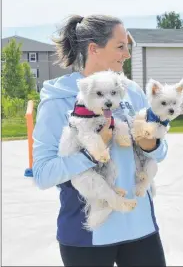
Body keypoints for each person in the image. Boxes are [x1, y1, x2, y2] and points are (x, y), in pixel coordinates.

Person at [32, 14, 168, 266]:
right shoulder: (58, 99)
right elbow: (42, 174)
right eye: (120, 46)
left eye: (128, 46)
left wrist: (153, 145)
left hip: (141, 230)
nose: (127, 54)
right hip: (86, 237)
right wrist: (89, 154)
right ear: (94, 49)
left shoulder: (132, 92)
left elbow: (159, 153)